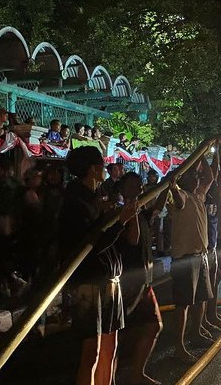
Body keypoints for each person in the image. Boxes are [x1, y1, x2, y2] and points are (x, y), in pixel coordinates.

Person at [58, 146, 138, 385]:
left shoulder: (96, 198)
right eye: (102, 165)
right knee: (91, 352)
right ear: (93, 169)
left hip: (109, 280)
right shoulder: (75, 202)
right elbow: (89, 244)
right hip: (90, 283)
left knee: (110, 345)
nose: (106, 168)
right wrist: (119, 222)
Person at [115, 172, 169, 385]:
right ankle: (113, 373)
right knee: (120, 331)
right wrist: (132, 208)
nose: (138, 190)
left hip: (144, 282)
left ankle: (136, 372)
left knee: (153, 325)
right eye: (133, 186)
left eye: (139, 186)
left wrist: (166, 186)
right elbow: (132, 239)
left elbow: (156, 209)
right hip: (127, 283)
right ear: (122, 189)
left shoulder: (142, 213)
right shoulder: (120, 214)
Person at [168, 155, 214, 361]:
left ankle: (195, 334)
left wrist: (201, 155)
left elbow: (210, 177)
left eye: (197, 175)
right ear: (183, 180)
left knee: (202, 297)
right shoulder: (183, 196)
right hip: (185, 258)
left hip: (200, 255)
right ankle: (179, 347)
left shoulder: (199, 196)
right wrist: (174, 185)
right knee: (183, 303)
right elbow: (177, 196)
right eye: (193, 176)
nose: (197, 178)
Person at [206, 142, 221, 327]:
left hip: (220, 237)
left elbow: (219, 168)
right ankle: (210, 315)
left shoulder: (212, 191)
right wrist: (219, 148)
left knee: (215, 278)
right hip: (218, 239)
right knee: (215, 277)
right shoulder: (214, 191)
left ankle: (209, 315)